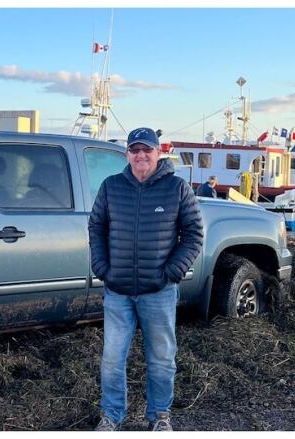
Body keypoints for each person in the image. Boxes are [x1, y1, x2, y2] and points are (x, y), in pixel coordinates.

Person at [89, 127, 204, 431]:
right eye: (134, 150)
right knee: (112, 359)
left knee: (162, 359)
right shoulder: (111, 186)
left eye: (147, 150)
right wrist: (102, 267)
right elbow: (96, 226)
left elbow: (194, 233)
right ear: (127, 154)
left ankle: (160, 416)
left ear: (158, 153)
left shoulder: (177, 188)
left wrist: (172, 271)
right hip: (118, 291)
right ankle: (112, 416)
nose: (141, 155)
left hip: (159, 292)